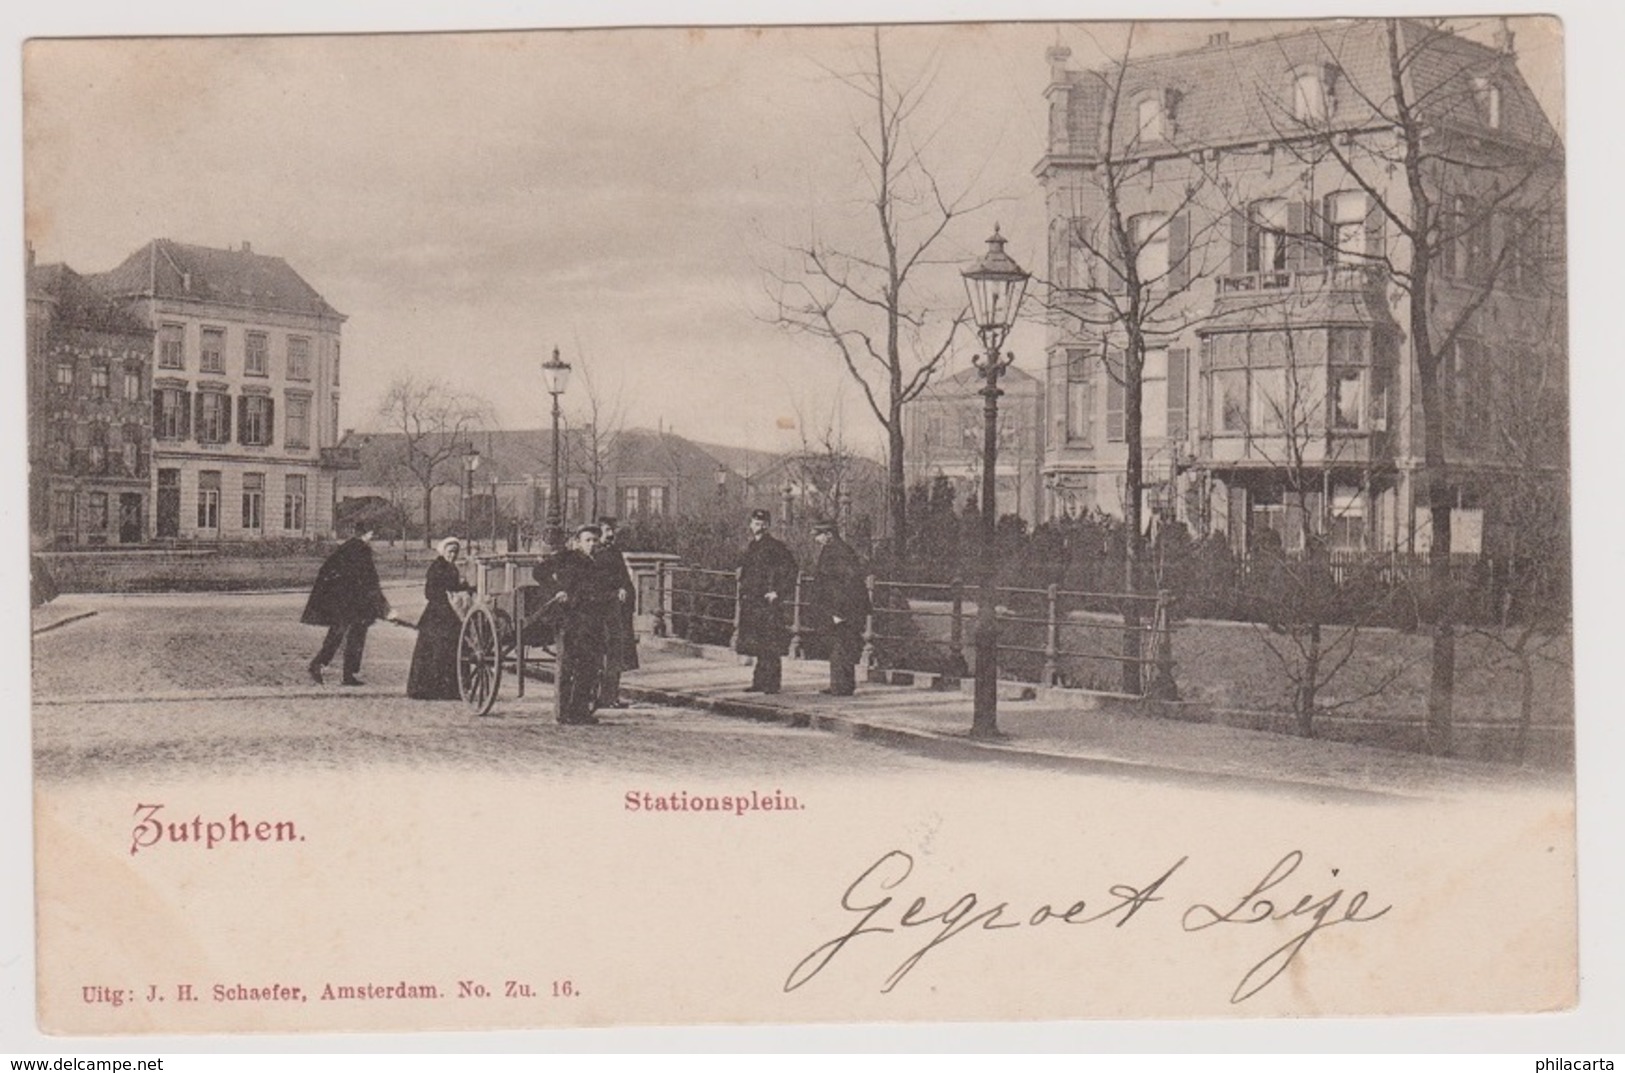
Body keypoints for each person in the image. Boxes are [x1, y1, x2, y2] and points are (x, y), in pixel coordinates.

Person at [533, 524, 616, 725]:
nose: (592, 544)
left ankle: (580, 711)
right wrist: (556, 590)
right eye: (587, 540)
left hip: (593, 619)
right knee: (568, 665)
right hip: (569, 618)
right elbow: (539, 572)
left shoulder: (602, 562)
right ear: (578, 542)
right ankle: (562, 712)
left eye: (595, 540)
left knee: (589, 666)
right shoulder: (567, 557)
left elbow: (609, 585)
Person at [303, 524, 394, 686]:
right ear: (366, 533)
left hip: (342, 602)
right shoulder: (362, 550)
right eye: (372, 533)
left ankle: (320, 664)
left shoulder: (345, 548)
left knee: (337, 634)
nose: (373, 537)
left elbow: (327, 571)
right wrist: (383, 607)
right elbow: (370, 580)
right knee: (355, 637)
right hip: (355, 604)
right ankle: (346, 674)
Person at [735, 508, 798, 693]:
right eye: (756, 523)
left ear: (768, 526)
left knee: (770, 643)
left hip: (767, 603)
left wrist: (778, 592)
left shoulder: (776, 547)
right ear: (750, 524)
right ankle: (759, 682)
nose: (759, 527)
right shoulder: (752, 546)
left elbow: (791, 571)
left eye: (763, 524)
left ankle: (771, 684)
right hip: (753, 602)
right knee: (759, 643)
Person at [405, 537, 476, 700]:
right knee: (436, 649)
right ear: (443, 552)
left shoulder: (451, 568)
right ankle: (429, 689)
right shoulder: (436, 568)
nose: (453, 555)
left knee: (454, 647)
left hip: (449, 612)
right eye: (450, 552)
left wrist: (466, 588)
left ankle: (451, 689)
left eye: (455, 552)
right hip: (437, 614)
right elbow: (429, 592)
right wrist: (446, 596)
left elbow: (454, 586)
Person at [807, 517, 870, 696]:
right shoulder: (833, 550)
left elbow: (848, 583)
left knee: (841, 645)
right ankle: (840, 684)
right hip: (837, 608)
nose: (816, 539)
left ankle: (842, 686)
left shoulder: (839, 552)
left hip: (843, 610)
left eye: (818, 535)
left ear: (829, 535)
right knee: (838, 645)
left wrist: (840, 612)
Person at [594, 517, 639, 709]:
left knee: (615, 655)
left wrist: (624, 590)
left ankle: (610, 696)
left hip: (617, 612)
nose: (610, 534)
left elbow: (624, 578)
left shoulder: (615, 553)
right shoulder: (593, 554)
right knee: (600, 655)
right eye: (606, 530)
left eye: (611, 530)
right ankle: (597, 695)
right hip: (598, 611)